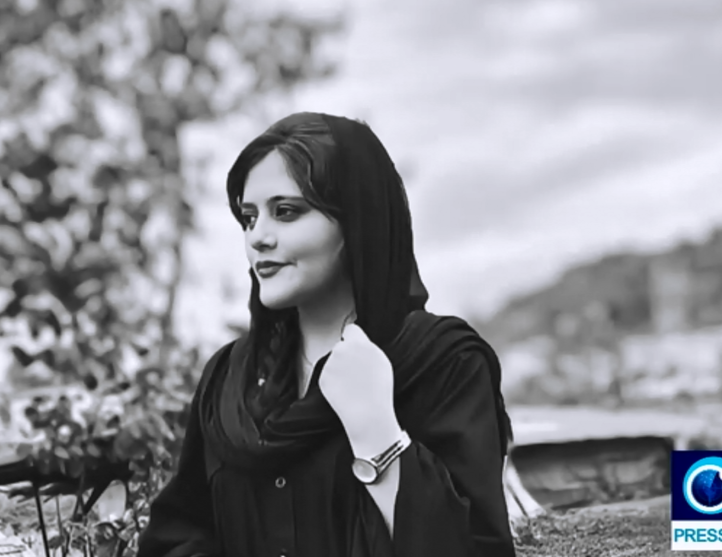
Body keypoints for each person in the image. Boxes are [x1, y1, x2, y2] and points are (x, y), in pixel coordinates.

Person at [137, 112, 515, 557]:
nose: (258, 237)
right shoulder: (229, 379)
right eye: (249, 217)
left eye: (286, 212)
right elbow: (180, 535)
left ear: (357, 220)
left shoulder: (442, 363)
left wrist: (379, 435)